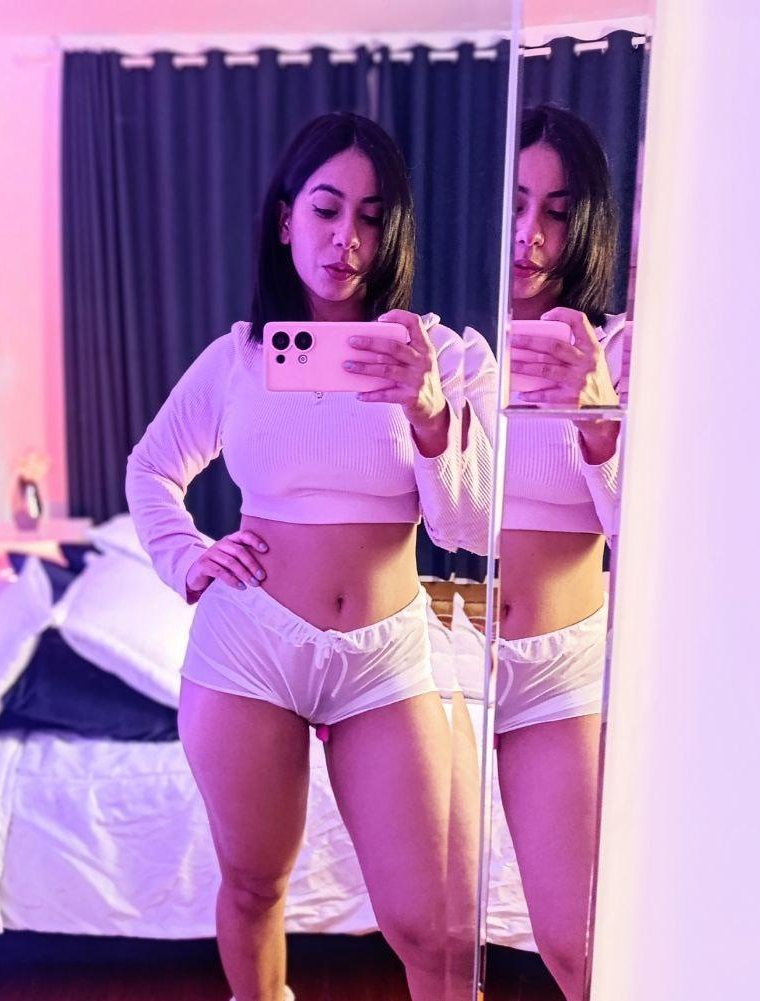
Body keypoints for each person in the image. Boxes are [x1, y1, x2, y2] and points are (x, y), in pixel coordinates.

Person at [126, 111, 488, 1001]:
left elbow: (470, 527)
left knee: (437, 929)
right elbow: (151, 468)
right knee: (255, 886)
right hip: (249, 650)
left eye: (371, 216)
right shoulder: (240, 359)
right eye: (326, 209)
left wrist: (429, 414)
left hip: (388, 656)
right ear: (287, 219)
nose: (346, 238)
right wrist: (187, 556)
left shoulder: (441, 357)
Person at [463, 104, 629, 1000]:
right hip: (448, 659)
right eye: (515, 204)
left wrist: (599, 418)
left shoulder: (622, 352)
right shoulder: (452, 350)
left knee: (577, 947)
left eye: (557, 212)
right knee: (432, 938)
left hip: (563, 668)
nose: (530, 233)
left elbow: (651, 540)